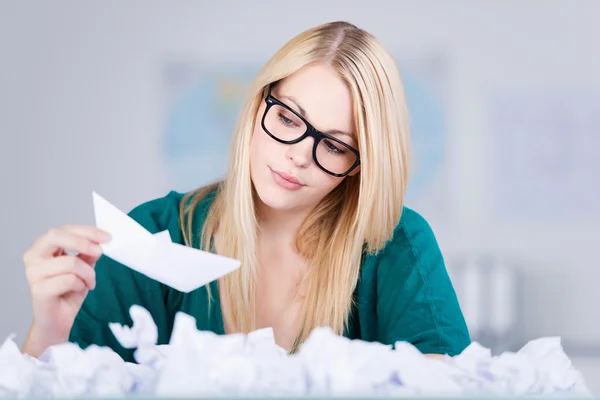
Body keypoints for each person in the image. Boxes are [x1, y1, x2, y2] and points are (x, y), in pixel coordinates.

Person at [21, 21, 470, 362]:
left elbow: (450, 380)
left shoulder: (394, 245)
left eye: (334, 145)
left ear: (359, 167)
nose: (298, 155)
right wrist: (51, 334)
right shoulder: (156, 234)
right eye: (289, 119)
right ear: (258, 104)